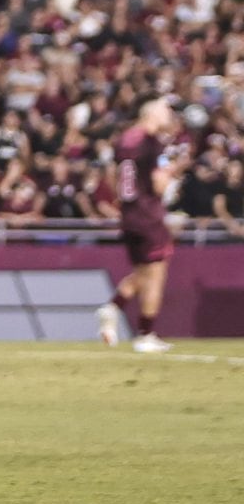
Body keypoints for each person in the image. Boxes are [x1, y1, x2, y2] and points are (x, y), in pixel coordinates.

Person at [99, 100, 181, 354]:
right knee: (156, 273)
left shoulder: (125, 139)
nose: (168, 115)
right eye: (165, 110)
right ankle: (145, 333)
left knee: (142, 272)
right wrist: (173, 171)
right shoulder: (151, 142)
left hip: (129, 213)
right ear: (152, 114)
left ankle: (112, 308)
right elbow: (158, 185)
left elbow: (112, 176)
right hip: (148, 214)